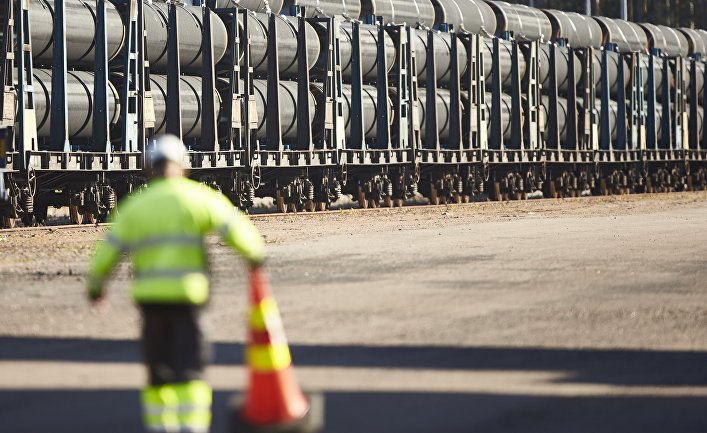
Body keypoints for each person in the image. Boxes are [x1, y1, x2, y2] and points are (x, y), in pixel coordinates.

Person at [86, 135, 266, 433]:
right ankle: (192, 426)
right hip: (188, 297)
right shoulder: (198, 198)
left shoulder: (136, 205)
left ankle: (161, 426)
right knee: (190, 369)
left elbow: (108, 251)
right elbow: (237, 230)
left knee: (159, 371)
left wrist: (96, 287)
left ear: (150, 168)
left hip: (151, 301)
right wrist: (255, 258)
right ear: (184, 165)